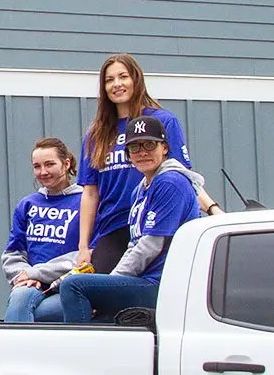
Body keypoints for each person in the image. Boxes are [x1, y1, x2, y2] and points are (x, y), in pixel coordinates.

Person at [75, 54, 219, 273]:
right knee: (99, 295)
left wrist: (212, 209)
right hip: (113, 229)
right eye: (109, 80)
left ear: (136, 79)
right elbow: (90, 194)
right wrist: (83, 246)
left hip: (156, 225)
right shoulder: (96, 134)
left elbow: (181, 177)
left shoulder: (161, 121)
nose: (117, 84)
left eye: (123, 77)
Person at [57, 116, 202, 323]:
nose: (142, 152)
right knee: (94, 318)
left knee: (74, 286)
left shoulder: (170, 182)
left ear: (165, 148)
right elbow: (133, 245)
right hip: (143, 280)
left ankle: (81, 352)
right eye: (134, 147)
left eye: (150, 145)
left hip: (164, 283)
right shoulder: (141, 189)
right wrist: (110, 287)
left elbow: (150, 246)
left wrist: (111, 285)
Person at [2, 137, 82, 323]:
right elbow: (13, 253)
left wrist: (36, 273)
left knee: (30, 311)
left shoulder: (85, 201)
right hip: (30, 285)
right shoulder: (28, 204)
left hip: (71, 285)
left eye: (49, 164)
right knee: (21, 297)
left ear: (66, 163)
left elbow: (86, 254)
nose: (43, 172)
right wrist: (24, 277)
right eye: (37, 166)